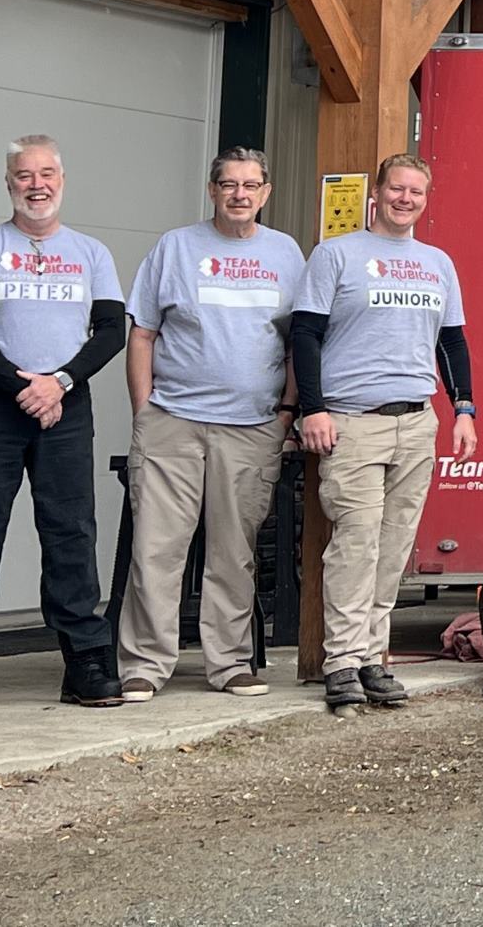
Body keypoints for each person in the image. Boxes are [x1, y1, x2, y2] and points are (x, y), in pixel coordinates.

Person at [0, 135, 130, 719]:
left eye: (46, 173)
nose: (36, 184)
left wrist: (58, 383)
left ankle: (86, 663)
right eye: (23, 175)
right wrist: (25, 388)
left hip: (65, 406)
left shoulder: (91, 253)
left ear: (62, 180)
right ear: (9, 183)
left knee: (71, 534)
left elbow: (112, 331)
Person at [115, 148, 308, 702]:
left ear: (266, 193)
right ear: (212, 190)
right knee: (156, 547)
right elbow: (143, 333)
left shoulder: (286, 254)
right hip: (172, 420)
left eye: (251, 185)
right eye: (229, 184)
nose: (240, 195)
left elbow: (299, 340)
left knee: (235, 550)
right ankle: (145, 664)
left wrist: (287, 412)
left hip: (251, 427)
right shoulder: (175, 247)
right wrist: (144, 409)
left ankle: (229, 664)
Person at [291, 153, 478, 713]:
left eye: (416, 192)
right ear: (377, 193)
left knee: (394, 547)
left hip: (416, 422)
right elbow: (305, 335)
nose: (405, 199)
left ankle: (374, 657)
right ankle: (343, 663)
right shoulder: (336, 255)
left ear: (427, 199)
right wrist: (313, 409)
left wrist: (463, 408)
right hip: (352, 422)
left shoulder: (437, 263)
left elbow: (454, 343)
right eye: (397, 189)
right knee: (355, 544)